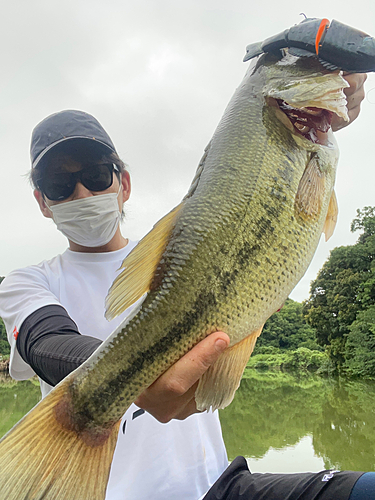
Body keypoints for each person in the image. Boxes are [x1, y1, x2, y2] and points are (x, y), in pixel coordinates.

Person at [0, 71, 369, 500]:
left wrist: (326, 102)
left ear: (124, 184)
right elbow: (46, 343)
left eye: (98, 175)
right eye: (60, 185)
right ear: (42, 203)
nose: (82, 193)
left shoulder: (189, 246)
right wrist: (124, 380)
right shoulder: (26, 281)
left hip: (219, 487)